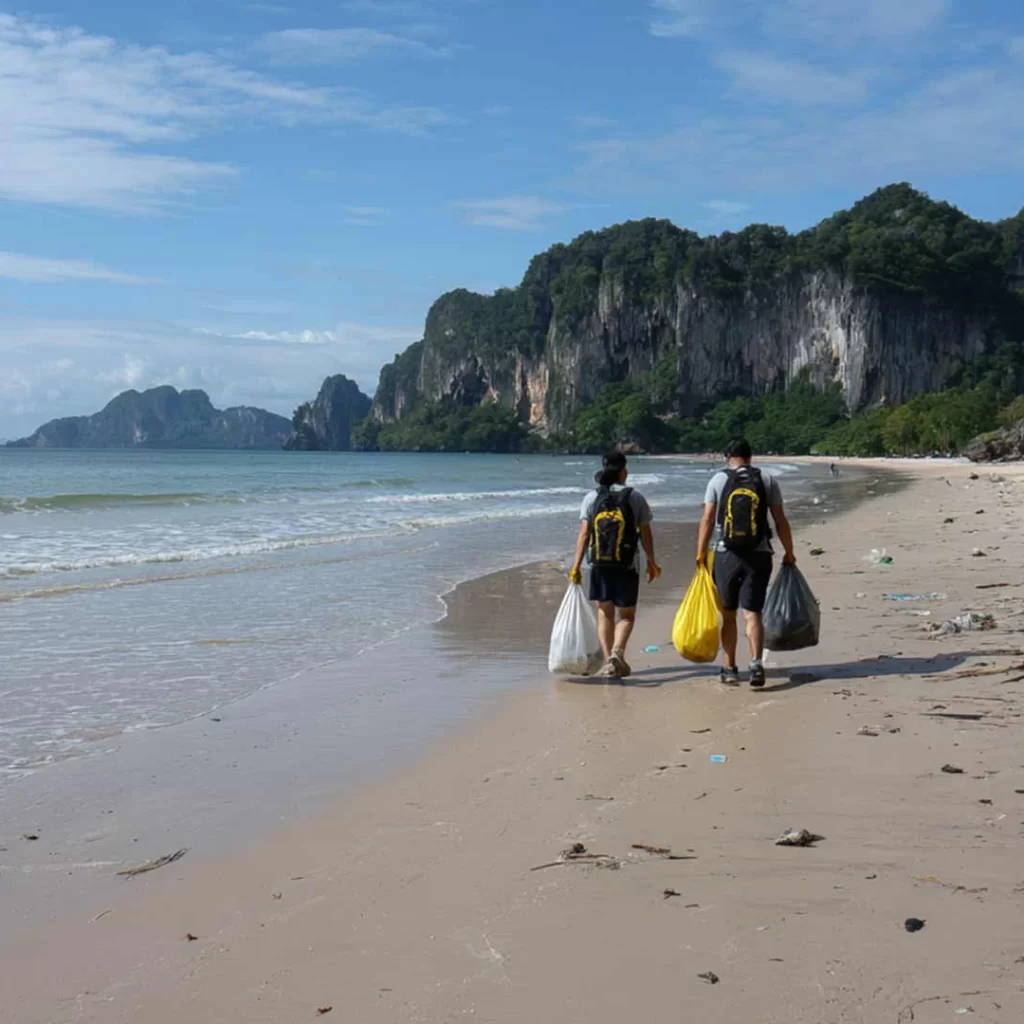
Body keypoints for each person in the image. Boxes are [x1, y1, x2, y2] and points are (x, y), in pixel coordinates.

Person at [695, 439, 796, 688]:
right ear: (750, 457)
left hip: (725, 555)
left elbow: (707, 519)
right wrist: (789, 552)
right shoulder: (767, 479)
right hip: (759, 553)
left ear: (727, 456)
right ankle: (755, 663)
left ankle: (729, 668)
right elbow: (780, 519)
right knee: (753, 613)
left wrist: (700, 553)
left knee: (728, 614)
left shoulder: (718, 480)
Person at [570, 452, 661, 679]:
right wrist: (651, 561)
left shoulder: (591, 498)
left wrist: (576, 566)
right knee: (627, 615)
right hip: (626, 564)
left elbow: (584, 534)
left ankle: (609, 660)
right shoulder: (634, 497)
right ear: (624, 472)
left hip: (599, 564)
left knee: (605, 612)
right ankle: (616, 654)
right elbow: (646, 534)